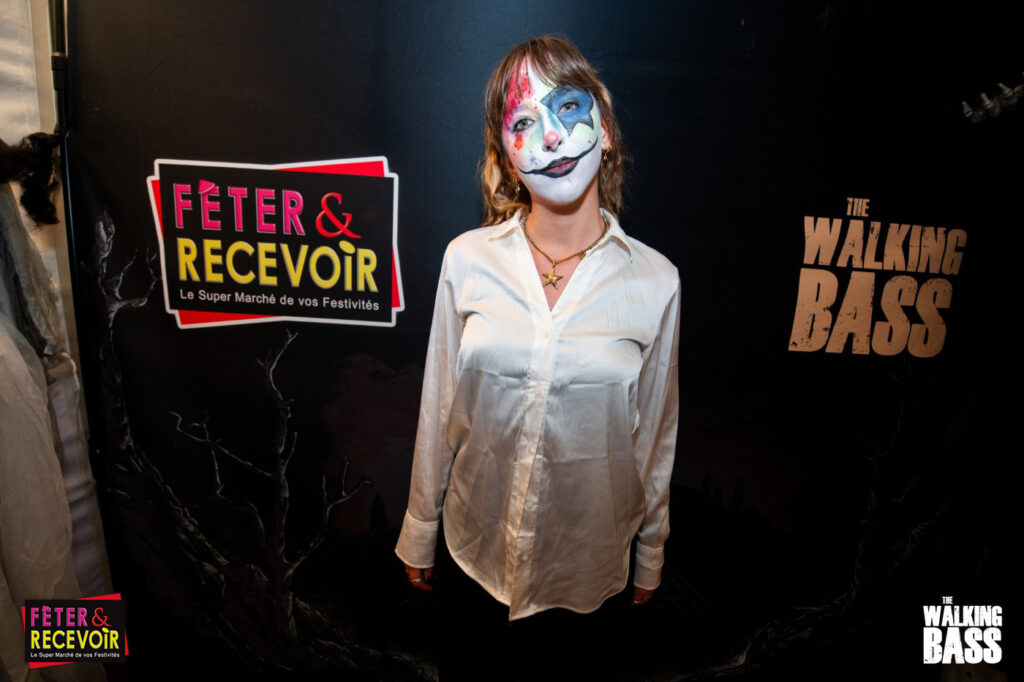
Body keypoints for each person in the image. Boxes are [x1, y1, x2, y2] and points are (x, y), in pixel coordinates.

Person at [396, 33, 679, 640]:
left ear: (605, 131)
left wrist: (650, 550)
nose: (551, 137)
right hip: (473, 562)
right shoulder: (466, 260)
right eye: (524, 121)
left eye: (568, 107)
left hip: (588, 578)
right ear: (505, 155)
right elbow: (439, 407)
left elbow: (655, 438)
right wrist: (420, 526)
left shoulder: (657, 281)